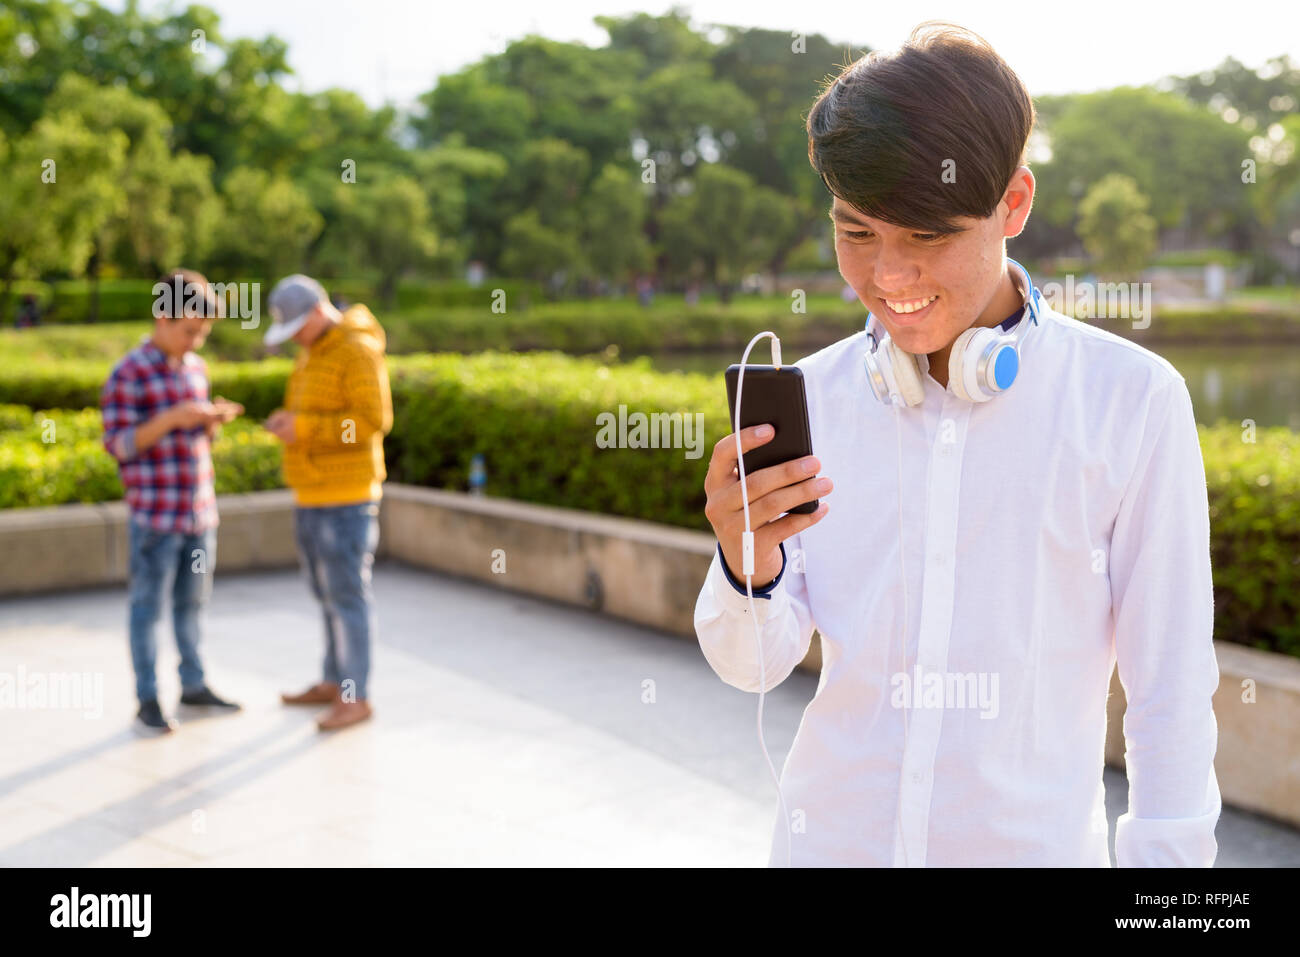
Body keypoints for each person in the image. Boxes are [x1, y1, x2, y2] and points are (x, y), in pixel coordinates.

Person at [695, 22, 1221, 867]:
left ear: (1013, 202)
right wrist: (742, 561)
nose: (888, 278)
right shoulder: (814, 399)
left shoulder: (1133, 402)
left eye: (926, 235)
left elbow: (1170, 691)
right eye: (857, 233)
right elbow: (752, 665)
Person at [100, 270, 244, 734]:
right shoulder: (129, 371)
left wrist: (208, 421)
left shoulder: (195, 368)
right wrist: (173, 418)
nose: (196, 340)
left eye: (203, 332)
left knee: (192, 605)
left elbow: (195, 437)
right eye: (190, 330)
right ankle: (147, 697)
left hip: (199, 512)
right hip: (156, 516)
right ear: (163, 317)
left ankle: (194, 684)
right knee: (147, 608)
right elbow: (119, 444)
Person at [262, 275, 392, 732]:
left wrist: (307, 430)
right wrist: (292, 423)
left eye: (298, 326)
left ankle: (355, 696)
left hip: (346, 497)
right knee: (326, 595)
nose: (294, 336)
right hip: (312, 492)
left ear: (318, 312)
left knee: (346, 597)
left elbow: (373, 420)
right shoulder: (312, 350)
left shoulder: (356, 349)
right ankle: (335, 681)